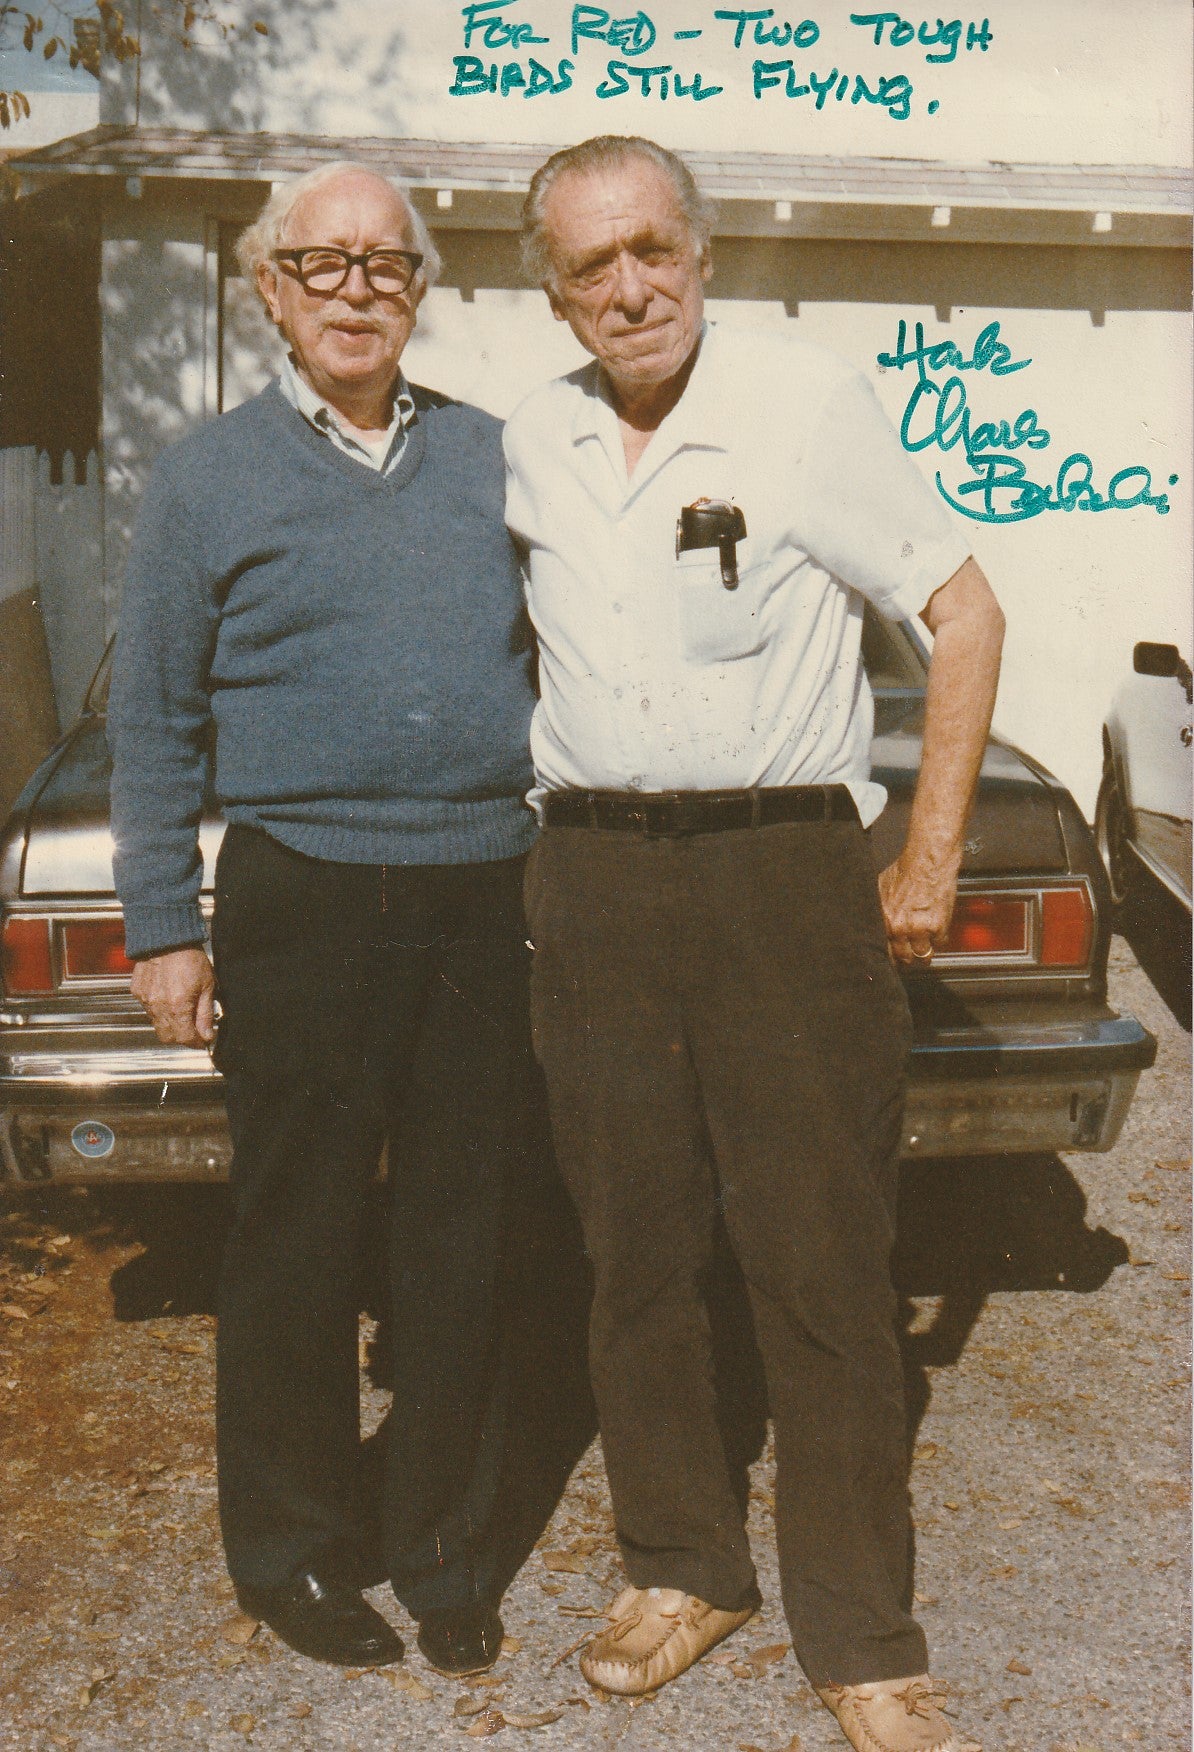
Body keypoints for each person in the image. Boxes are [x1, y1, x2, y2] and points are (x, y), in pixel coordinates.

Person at [504, 134, 1003, 1752]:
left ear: (701, 254)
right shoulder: (535, 438)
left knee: (818, 1261)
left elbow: (967, 611)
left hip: (782, 874)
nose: (629, 287)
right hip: (593, 879)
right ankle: (680, 1565)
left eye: (653, 248)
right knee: (633, 1253)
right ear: (556, 290)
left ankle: (859, 1631)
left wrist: (922, 854)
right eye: (591, 264)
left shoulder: (801, 405)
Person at [108, 163, 537, 1679]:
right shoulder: (204, 477)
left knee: (463, 1231)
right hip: (301, 887)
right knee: (294, 1233)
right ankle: (291, 1548)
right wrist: (165, 923)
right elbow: (153, 723)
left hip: (485, 885)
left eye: (385, 266)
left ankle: (441, 1547)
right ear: (270, 291)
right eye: (323, 265)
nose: (356, 290)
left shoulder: (500, 458)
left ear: (419, 291)